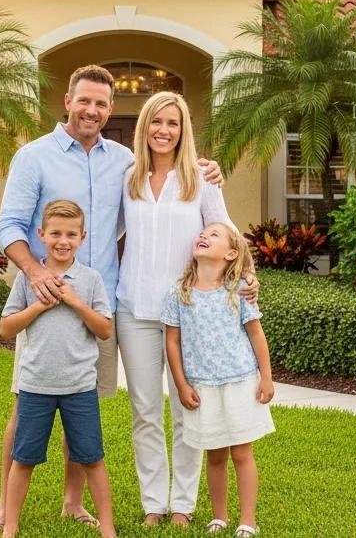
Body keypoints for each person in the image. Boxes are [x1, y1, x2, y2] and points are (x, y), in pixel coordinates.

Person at [0, 65, 225, 535]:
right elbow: (9, 226)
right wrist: (35, 273)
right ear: (68, 102)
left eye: (100, 103)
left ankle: (73, 502)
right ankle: (3, 509)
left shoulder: (124, 163)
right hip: (46, 301)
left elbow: (170, 185)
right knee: (25, 404)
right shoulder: (34, 157)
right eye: (84, 101)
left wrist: (205, 167)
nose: (91, 110)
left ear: (111, 110)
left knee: (84, 402)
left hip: (101, 305)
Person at [116, 91, 242, 527]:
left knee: (188, 408)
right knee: (145, 411)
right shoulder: (128, 178)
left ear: (183, 129)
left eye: (173, 123)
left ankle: (183, 505)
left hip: (188, 314)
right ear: (144, 127)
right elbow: (105, 230)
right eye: (156, 121)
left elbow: (225, 231)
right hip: (133, 309)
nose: (164, 130)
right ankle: (154, 503)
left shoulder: (201, 178)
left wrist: (246, 275)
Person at [0, 200, 117, 538]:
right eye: (55, 234)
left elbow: (104, 329)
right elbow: (5, 328)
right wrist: (39, 306)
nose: (63, 241)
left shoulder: (91, 280)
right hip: (35, 385)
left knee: (91, 457)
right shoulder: (28, 279)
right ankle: (10, 526)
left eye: (71, 235)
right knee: (24, 458)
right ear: (41, 234)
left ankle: (108, 528)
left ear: (82, 237)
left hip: (80, 387)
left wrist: (76, 302)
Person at [162, 223, 275, 538]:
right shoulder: (178, 292)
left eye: (214, 235)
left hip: (240, 382)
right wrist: (182, 384)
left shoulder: (239, 289)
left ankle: (247, 520)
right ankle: (219, 517)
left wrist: (266, 377)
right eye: (203, 234)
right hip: (202, 386)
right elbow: (172, 342)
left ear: (231, 253)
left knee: (241, 453)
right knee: (214, 454)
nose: (203, 236)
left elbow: (256, 334)